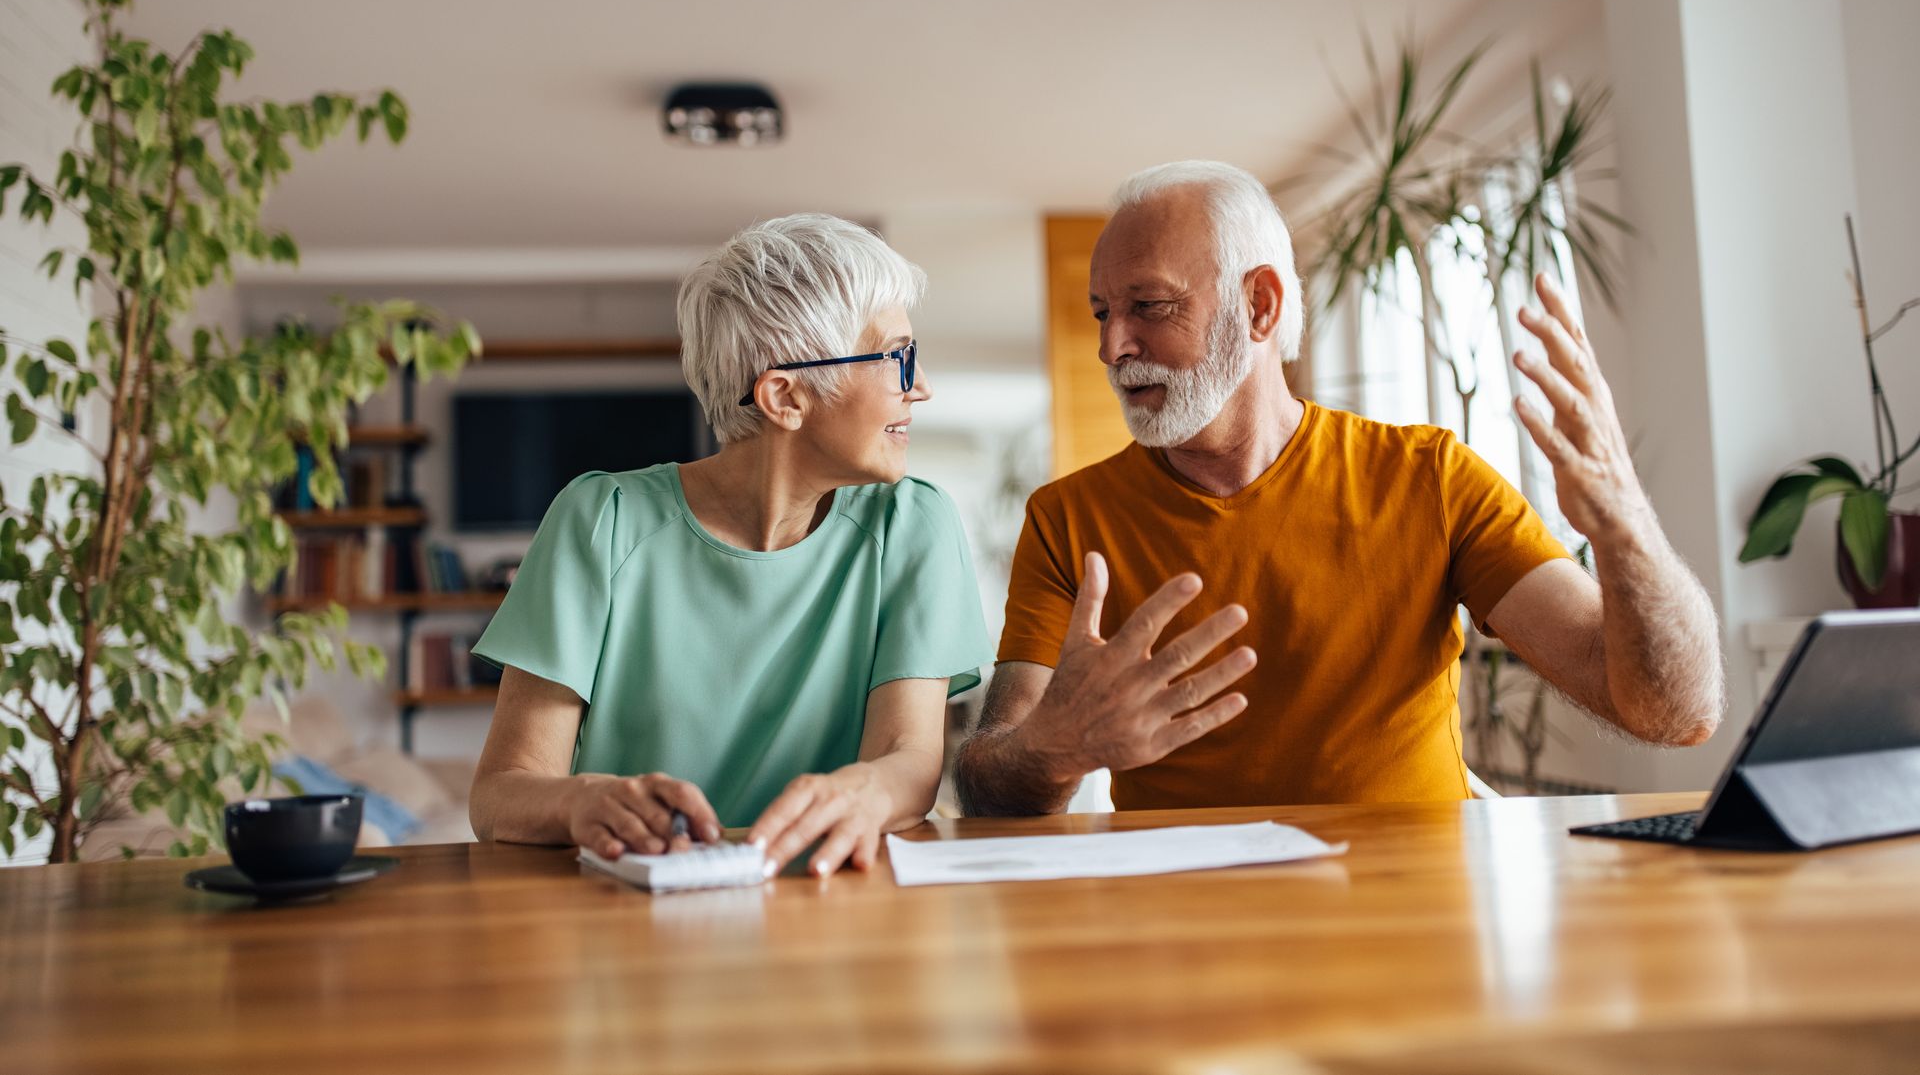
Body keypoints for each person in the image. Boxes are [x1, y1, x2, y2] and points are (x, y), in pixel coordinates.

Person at [955, 160, 1723, 815]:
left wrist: (1625, 525)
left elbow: (1675, 712)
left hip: (1413, 929)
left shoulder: (1432, 478)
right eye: (1102, 312)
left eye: (1148, 307)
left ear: (1259, 305)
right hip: (1186, 944)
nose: (1111, 345)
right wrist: (1057, 747)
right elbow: (987, 783)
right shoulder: (1067, 518)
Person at [469, 214, 990, 876]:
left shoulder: (913, 524)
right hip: (629, 917)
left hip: (836, 901)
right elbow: (498, 794)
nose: (920, 387)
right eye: (897, 357)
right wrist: (581, 801)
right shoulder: (601, 519)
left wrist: (865, 790)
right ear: (785, 395)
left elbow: (909, 758)